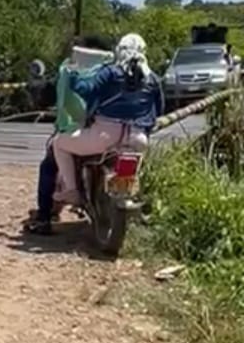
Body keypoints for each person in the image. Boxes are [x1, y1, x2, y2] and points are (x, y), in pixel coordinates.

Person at [52, 33, 163, 206]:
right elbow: (159, 108)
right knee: (131, 173)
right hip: (138, 138)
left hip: (105, 136)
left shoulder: (111, 72)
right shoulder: (153, 78)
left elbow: (86, 90)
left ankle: (72, 191)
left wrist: (72, 75)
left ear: (119, 50)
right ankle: (126, 194)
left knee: (59, 143)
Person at [24, 35, 114, 235]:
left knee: (49, 164)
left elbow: (55, 97)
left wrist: (35, 82)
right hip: (118, 134)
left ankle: (44, 218)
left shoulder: (70, 71)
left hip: (81, 131)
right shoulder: (113, 71)